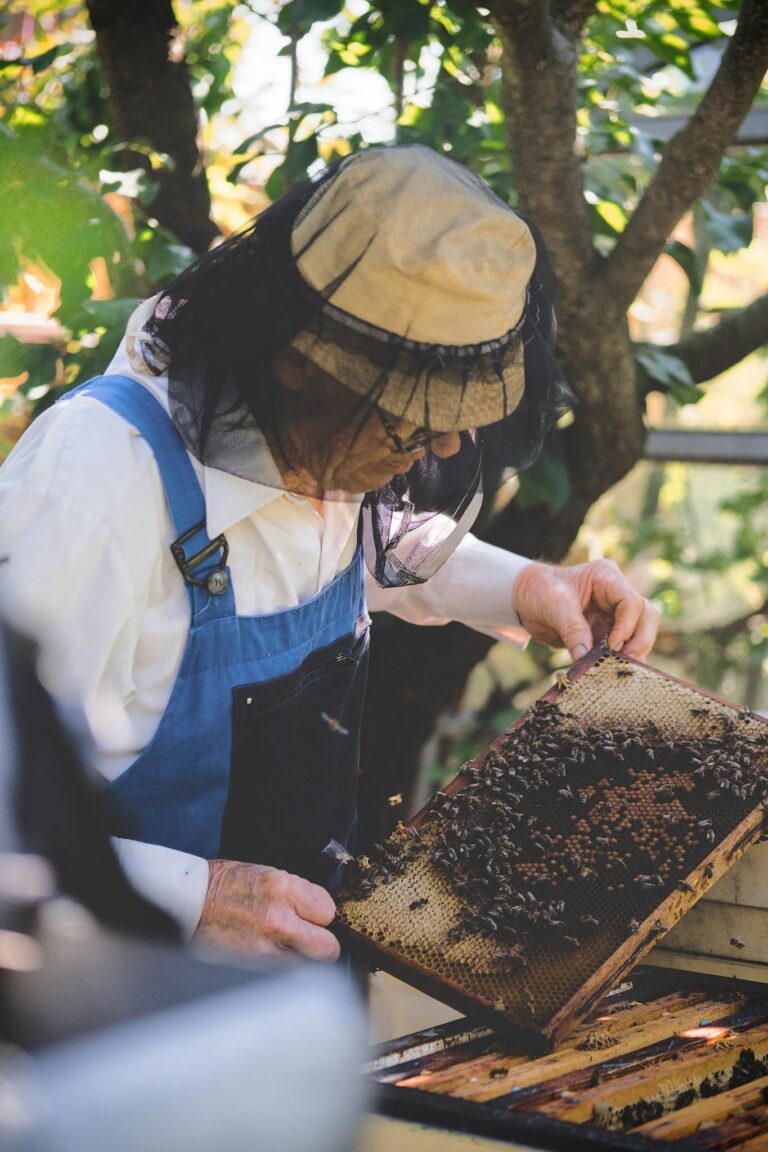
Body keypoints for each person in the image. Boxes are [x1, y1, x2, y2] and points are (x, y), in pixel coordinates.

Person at [0, 144, 659, 963]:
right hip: (109, 1025)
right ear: (300, 362)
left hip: (287, 994)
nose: (442, 444)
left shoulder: (318, 439)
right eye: (409, 420)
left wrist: (527, 585)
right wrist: (189, 896)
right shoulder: (89, 488)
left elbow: (365, 547)